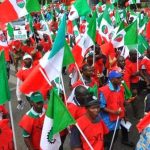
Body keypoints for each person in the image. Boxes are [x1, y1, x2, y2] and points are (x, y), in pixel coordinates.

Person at [99, 70, 134, 150]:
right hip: (108, 121)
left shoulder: (120, 88)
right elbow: (101, 106)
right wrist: (113, 112)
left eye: (120, 77)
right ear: (112, 79)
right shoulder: (104, 90)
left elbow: (121, 103)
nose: (121, 79)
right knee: (108, 140)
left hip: (118, 119)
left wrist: (124, 112)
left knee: (113, 138)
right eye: (118, 78)